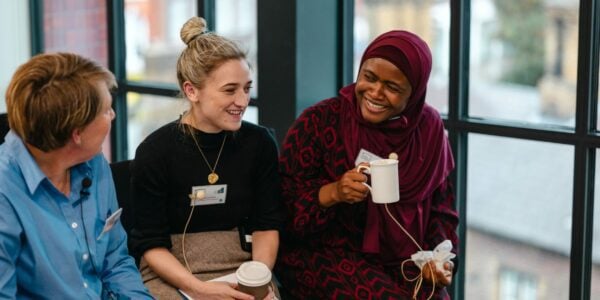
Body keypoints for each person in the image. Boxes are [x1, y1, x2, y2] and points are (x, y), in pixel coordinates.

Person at [274, 30, 459, 299]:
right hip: (325, 251)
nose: (375, 92)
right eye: (368, 77)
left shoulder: (428, 131)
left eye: (393, 88)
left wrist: (437, 257)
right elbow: (282, 208)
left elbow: (442, 209)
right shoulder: (320, 121)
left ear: (415, 93)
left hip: (405, 257)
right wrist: (334, 192)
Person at [129, 16, 286, 299]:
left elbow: (266, 225)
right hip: (171, 269)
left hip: (243, 264)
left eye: (247, 88)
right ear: (192, 91)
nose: (242, 101)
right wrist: (199, 289)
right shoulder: (155, 151)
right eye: (230, 90)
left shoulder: (259, 143)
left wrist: (257, 280)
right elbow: (150, 245)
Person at [0, 52, 152, 299]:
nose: (113, 115)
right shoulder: (5, 194)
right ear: (77, 133)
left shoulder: (93, 161)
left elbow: (115, 261)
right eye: (106, 110)